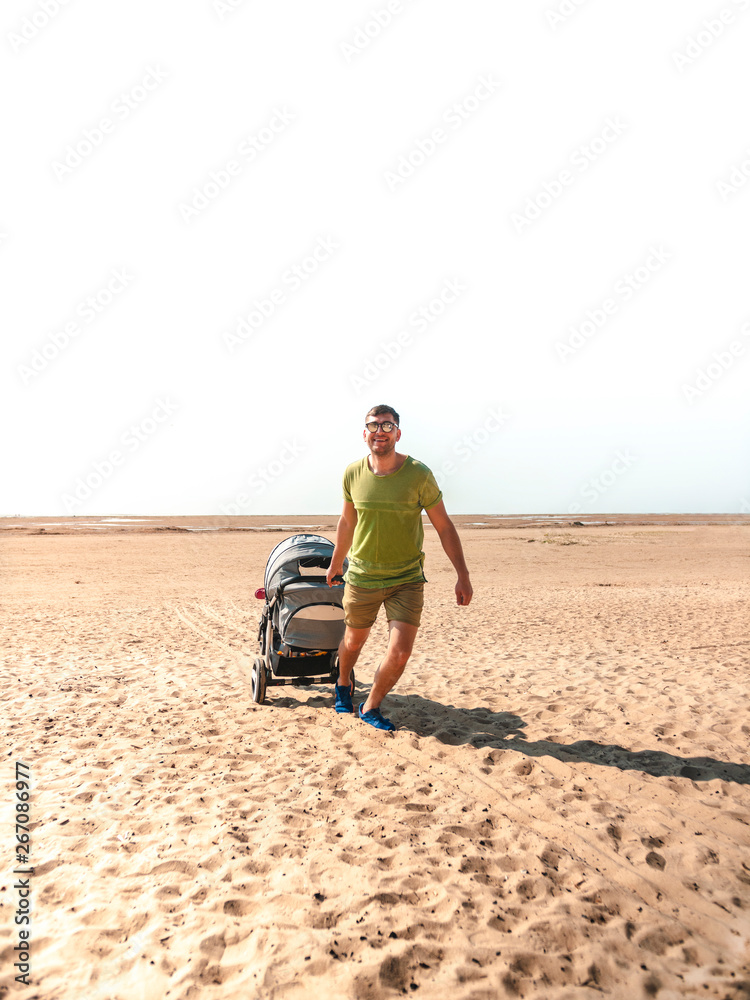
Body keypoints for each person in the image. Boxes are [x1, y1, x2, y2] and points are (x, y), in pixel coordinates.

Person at [326, 404, 473, 731]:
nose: (380, 431)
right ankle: (343, 682)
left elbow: (444, 526)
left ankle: (370, 706)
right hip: (362, 576)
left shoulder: (419, 474)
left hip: (406, 578)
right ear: (365, 433)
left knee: (401, 652)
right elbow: (347, 521)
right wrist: (336, 564)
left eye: (387, 426)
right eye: (374, 426)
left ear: (398, 433)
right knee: (352, 643)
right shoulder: (353, 473)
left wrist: (462, 575)